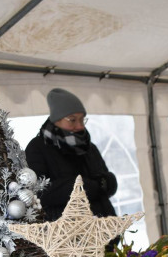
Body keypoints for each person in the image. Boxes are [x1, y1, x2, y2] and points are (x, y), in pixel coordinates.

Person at [25, 88, 118, 221]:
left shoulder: (89, 147)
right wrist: (85, 187)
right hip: (66, 228)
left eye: (82, 120)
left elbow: (108, 183)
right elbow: (38, 192)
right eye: (73, 120)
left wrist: (103, 183)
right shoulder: (37, 148)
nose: (80, 126)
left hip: (105, 226)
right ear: (56, 119)